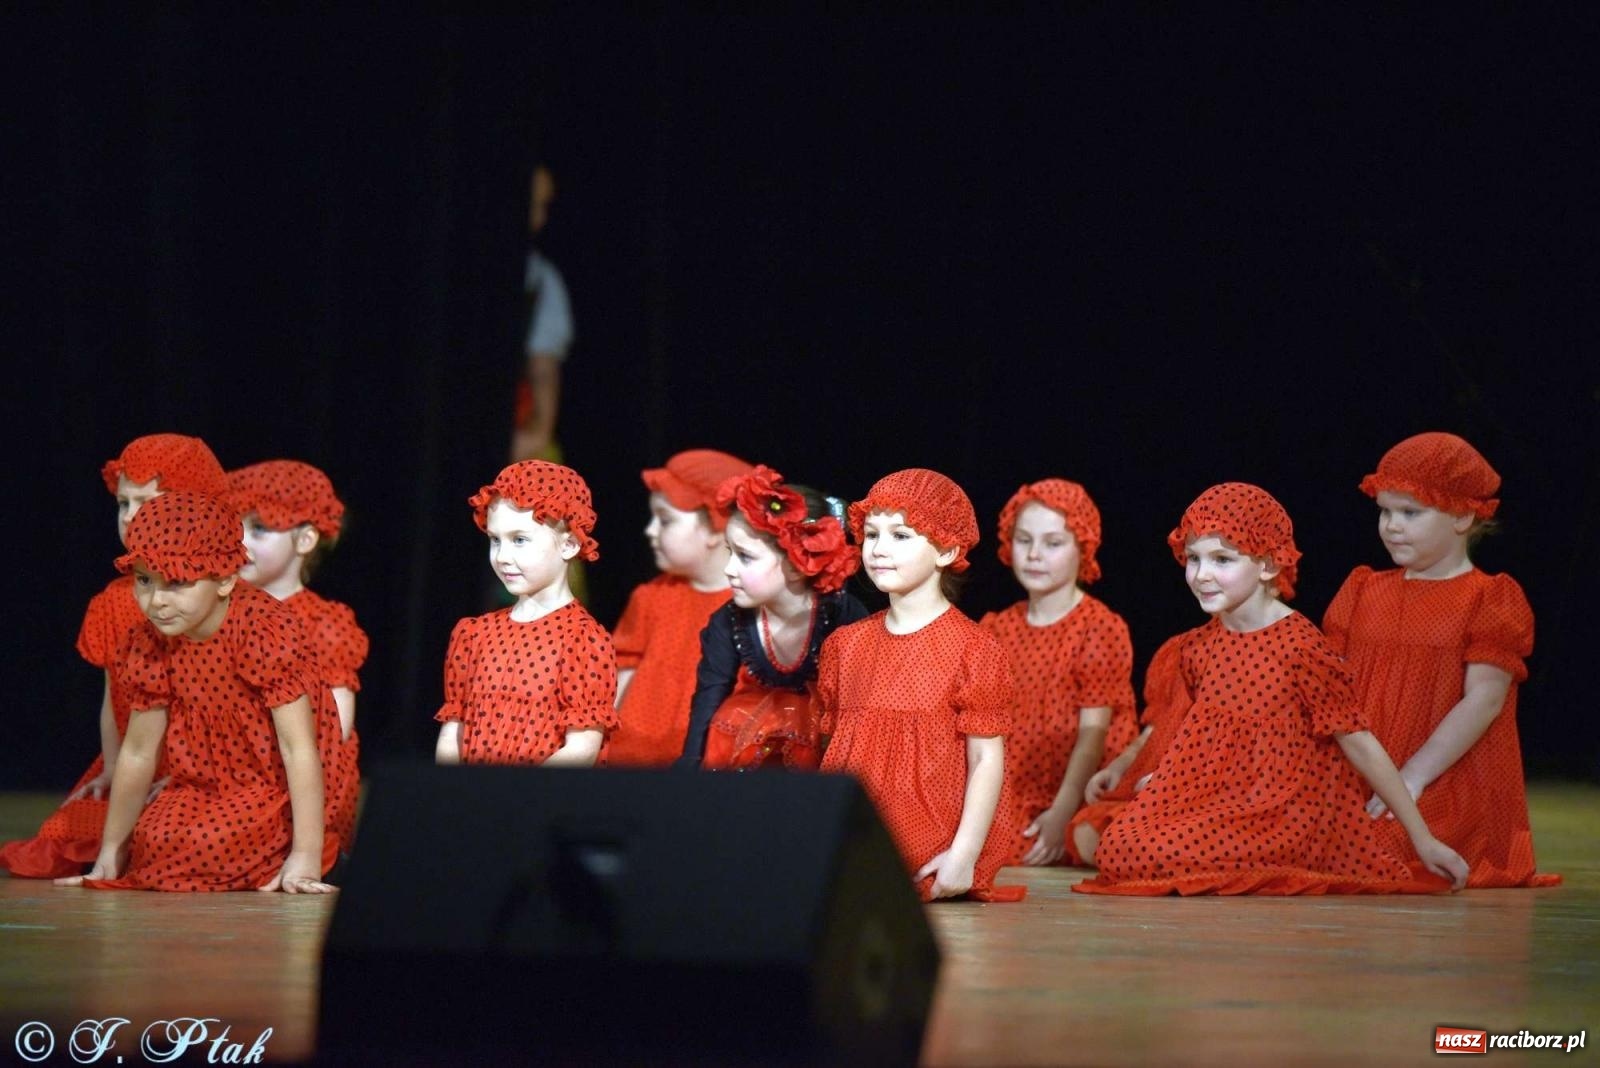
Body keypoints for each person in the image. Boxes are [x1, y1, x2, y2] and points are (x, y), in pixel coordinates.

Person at [1074, 483, 1469, 896]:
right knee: (1119, 846)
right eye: (1193, 558)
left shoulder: (1300, 647)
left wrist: (1422, 838)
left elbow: (1358, 741)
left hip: (1284, 810)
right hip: (1222, 799)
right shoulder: (1196, 648)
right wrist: (1168, 776)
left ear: (1266, 565)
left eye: (1222, 559)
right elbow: (1205, 737)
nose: (1201, 574)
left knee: (1148, 852)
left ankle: (1276, 860)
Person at [56, 492, 337, 892]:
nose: (156, 601)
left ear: (225, 579)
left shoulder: (261, 629)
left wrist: (306, 856)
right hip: (204, 782)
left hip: (270, 783)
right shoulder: (150, 641)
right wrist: (111, 852)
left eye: (178, 583)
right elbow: (138, 751)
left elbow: (298, 748)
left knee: (207, 844)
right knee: (155, 840)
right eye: (144, 581)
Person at [1323, 432, 1559, 888]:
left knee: (1383, 855)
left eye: (1410, 512)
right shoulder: (1362, 589)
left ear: (1463, 515)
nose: (1392, 526)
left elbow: (1483, 702)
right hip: (1360, 773)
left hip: (1440, 775)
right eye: (1385, 511)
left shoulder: (1489, 598)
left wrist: (1412, 777)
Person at [2, 433, 228, 879]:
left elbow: (218, 704)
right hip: (135, 758)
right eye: (122, 504)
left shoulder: (207, 595)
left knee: (170, 837)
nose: (129, 517)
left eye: (143, 502)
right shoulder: (113, 600)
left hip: (204, 764)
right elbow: (115, 699)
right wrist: (109, 766)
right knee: (65, 834)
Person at [816, 469, 1025, 902]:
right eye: (871, 534)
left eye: (901, 535)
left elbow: (987, 758)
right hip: (855, 821)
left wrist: (963, 855)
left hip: (930, 826)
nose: (878, 549)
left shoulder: (974, 648)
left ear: (946, 548)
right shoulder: (845, 645)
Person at [978, 479, 1138, 866]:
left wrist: (1065, 808)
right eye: (1023, 540)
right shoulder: (996, 629)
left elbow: (1092, 735)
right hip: (1017, 789)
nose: (1034, 555)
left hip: (1081, 788)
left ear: (1081, 547)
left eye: (1052, 543)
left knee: (1103, 839)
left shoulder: (1098, 626)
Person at [677, 466, 869, 770]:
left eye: (745, 556)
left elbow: (858, 709)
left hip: (825, 747)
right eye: (730, 553)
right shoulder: (728, 622)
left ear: (797, 563)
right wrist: (688, 771)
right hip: (750, 740)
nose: (729, 569)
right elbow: (707, 700)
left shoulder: (844, 616)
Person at [435, 460, 617, 765]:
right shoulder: (474, 634)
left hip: (538, 803)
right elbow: (453, 732)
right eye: (495, 540)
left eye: (519, 540)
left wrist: (518, 799)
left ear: (569, 544)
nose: (503, 557)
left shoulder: (584, 641)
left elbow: (582, 748)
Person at [226, 460, 365, 855]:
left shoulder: (324, 622)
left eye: (260, 529)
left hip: (294, 775)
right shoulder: (221, 614)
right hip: (228, 765)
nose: (241, 542)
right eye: (236, 527)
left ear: (305, 541)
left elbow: (336, 727)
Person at [605, 448, 753, 766]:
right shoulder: (651, 597)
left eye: (666, 520)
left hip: (709, 770)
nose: (651, 531)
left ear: (715, 528)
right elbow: (618, 679)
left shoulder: (751, 605)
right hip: (630, 763)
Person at [1068, 627, 1198, 866]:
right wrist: (1119, 766)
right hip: (1148, 789)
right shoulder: (1178, 649)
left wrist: (1176, 778)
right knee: (1089, 829)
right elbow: (1155, 725)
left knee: (1144, 841)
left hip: (1200, 790)